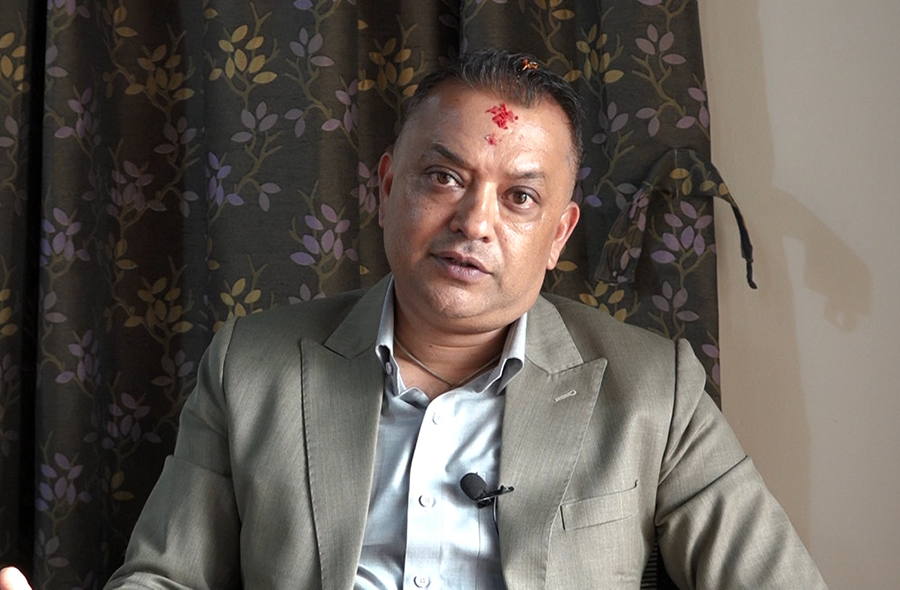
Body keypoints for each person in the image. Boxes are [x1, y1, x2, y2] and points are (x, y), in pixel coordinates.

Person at [0, 50, 825, 589]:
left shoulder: (654, 390)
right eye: (443, 177)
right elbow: (168, 577)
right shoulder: (252, 365)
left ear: (558, 236)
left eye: (520, 197)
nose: (474, 222)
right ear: (388, 187)